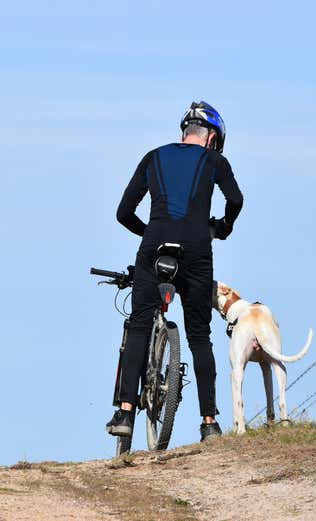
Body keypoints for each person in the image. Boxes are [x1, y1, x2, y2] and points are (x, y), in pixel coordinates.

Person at [107, 101, 244, 442]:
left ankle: (124, 412)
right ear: (211, 137)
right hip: (197, 251)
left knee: (139, 325)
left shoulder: (153, 157)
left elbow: (124, 212)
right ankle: (209, 423)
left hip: (153, 247)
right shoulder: (215, 161)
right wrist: (223, 225)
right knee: (199, 336)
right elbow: (236, 200)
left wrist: (152, 233)